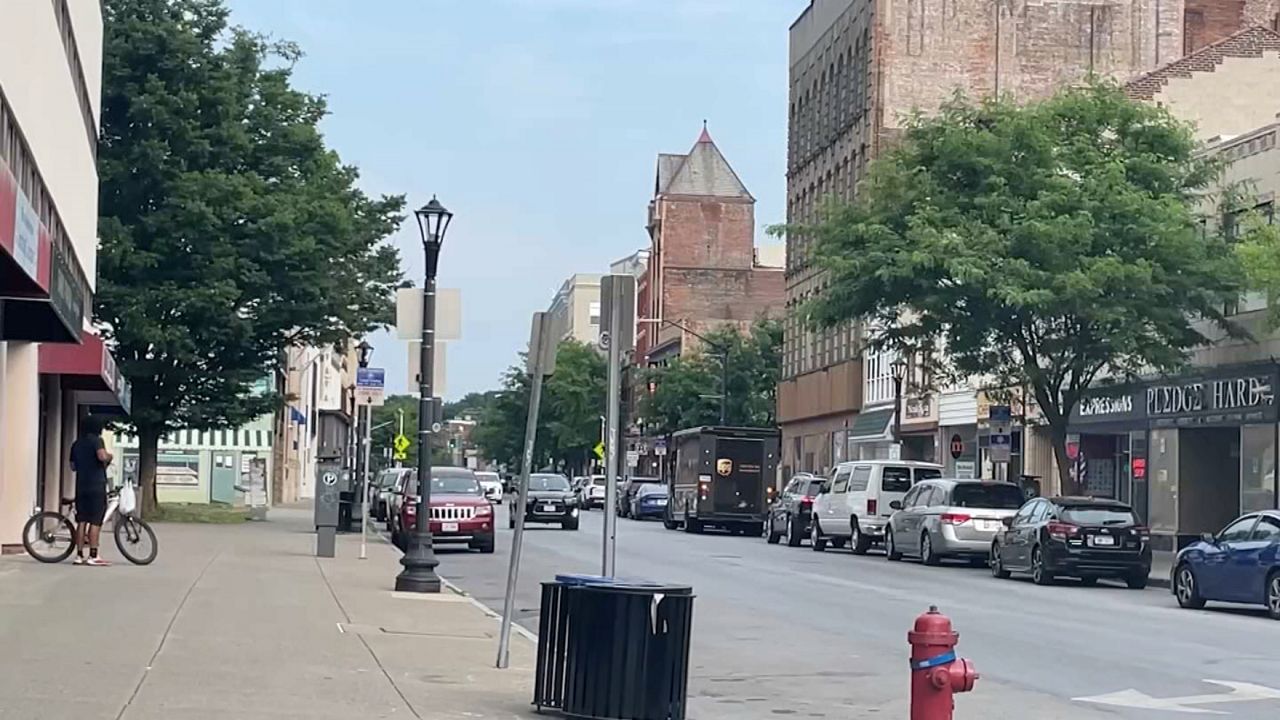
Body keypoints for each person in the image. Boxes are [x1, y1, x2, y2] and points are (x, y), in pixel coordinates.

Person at [70, 415, 112, 566]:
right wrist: (109, 456)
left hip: (81, 486)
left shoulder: (76, 444)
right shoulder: (97, 440)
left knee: (81, 520)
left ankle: (79, 555)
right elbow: (101, 456)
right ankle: (93, 555)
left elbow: (73, 467)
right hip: (96, 485)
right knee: (95, 520)